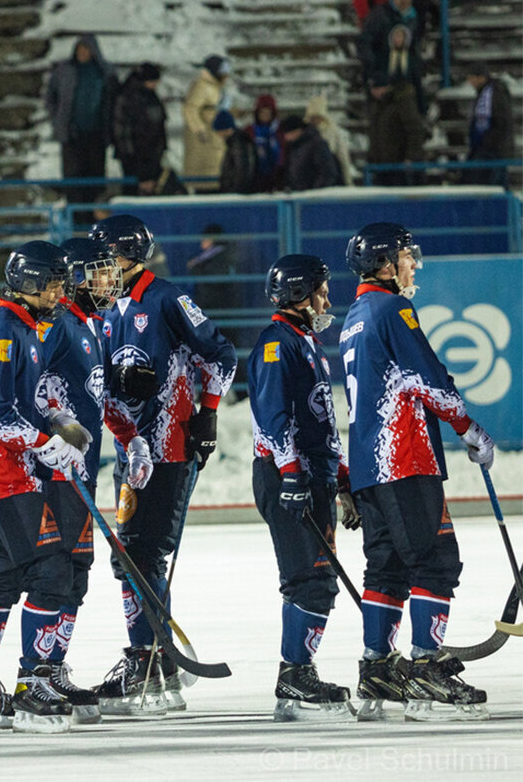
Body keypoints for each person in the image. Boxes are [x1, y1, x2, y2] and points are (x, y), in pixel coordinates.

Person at [340, 223, 493, 722]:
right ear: (385, 265)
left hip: (369, 466)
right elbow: (429, 379)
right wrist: (470, 429)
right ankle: (426, 668)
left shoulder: (355, 316)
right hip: (404, 459)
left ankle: (378, 669)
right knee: (435, 560)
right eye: (406, 256)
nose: (412, 264)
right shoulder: (392, 308)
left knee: (386, 567)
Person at [93, 215, 237, 715]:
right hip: (128, 450)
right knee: (128, 559)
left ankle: (149, 661)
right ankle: (156, 664)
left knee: (141, 556)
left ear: (129, 257)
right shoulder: (104, 306)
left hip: (169, 449)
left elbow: (221, 355)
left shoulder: (168, 298)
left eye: (104, 259)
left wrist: (209, 414)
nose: (97, 270)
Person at [0, 241, 82, 734]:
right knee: (51, 571)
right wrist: (43, 444)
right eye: (50, 282)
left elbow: (27, 399)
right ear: (26, 283)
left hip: (16, 473)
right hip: (7, 477)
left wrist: (59, 426)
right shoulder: (4, 332)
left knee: (0, 577)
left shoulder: (30, 329)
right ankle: (32, 685)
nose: (58, 290)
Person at [248, 253, 358, 722]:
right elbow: (272, 418)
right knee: (307, 579)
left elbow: (320, 421)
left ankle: (299, 671)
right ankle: (294, 678)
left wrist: (342, 479)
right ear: (298, 294)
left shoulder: (303, 340)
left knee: (319, 581)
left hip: (310, 475)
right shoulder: (277, 344)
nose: (327, 298)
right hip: (286, 477)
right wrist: (292, 474)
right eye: (320, 289)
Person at [35, 237, 137, 724]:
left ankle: (53, 665)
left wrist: (128, 436)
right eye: (97, 272)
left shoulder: (90, 325)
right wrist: (58, 435)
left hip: (81, 471)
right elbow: (31, 394)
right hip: (52, 474)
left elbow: (94, 397)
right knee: (55, 571)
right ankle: (36, 671)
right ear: (73, 278)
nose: (107, 279)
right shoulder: (54, 326)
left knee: (77, 569)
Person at [44, 34, 117, 222]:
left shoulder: (105, 72)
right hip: (71, 135)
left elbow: (111, 101)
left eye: (86, 50)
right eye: (80, 49)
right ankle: (76, 220)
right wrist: (58, 120)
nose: (83, 53)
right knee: (73, 180)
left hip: (96, 136)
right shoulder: (64, 71)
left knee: (95, 179)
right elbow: (51, 97)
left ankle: (95, 220)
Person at [112, 62, 168, 196]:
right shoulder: (128, 97)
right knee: (132, 188)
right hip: (135, 155)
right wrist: (128, 154)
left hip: (151, 153)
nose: (155, 85)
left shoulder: (151, 96)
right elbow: (121, 127)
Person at [366, 69, 425, 186]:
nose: (373, 92)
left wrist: (411, 157)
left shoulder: (402, 102)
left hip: (401, 166)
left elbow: (415, 130)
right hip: (383, 166)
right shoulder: (378, 106)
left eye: (376, 88)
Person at [182, 55, 231, 190]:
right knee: (205, 177)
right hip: (204, 141)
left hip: (216, 137)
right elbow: (190, 109)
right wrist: (199, 130)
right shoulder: (201, 86)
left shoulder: (216, 87)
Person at [462, 63, 515, 187]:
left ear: (481, 77)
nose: (470, 82)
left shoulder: (496, 93)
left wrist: (488, 142)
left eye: (472, 77)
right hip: (486, 148)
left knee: (493, 185)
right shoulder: (485, 92)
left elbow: (501, 122)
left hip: (494, 150)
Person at [282, 115, 342, 191]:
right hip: (301, 195)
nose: (285, 137)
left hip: (313, 197)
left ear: (297, 131)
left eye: (287, 133)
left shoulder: (317, 144)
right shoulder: (295, 146)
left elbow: (327, 172)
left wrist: (315, 192)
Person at [304, 94, 354, 186]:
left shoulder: (333, 131)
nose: (315, 120)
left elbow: (343, 156)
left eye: (318, 117)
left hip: (331, 172)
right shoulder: (305, 133)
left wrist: (348, 181)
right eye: (313, 117)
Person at [245, 94, 282, 192]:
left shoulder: (280, 131)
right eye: (262, 112)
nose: (265, 115)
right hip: (254, 178)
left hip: (278, 178)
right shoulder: (249, 131)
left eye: (268, 112)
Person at [215, 110, 258, 193]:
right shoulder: (234, 143)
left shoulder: (238, 143)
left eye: (218, 130)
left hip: (236, 193)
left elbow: (242, 169)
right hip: (234, 191)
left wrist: (234, 191)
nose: (217, 134)